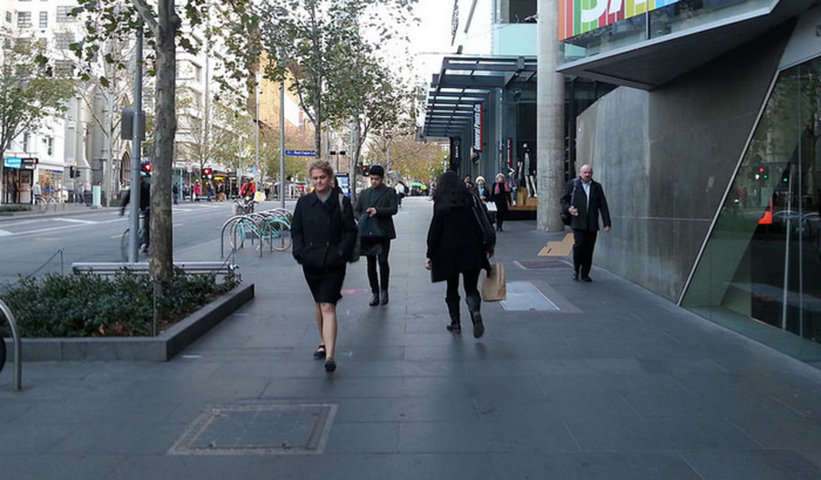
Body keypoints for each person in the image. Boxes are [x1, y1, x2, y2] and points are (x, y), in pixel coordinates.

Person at [292, 160, 357, 373]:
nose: (319, 181)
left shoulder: (341, 201)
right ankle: (323, 341)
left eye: (322, 177)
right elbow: (297, 230)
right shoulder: (304, 203)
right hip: (310, 261)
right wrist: (300, 252)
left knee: (328, 304)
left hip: (334, 261)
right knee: (319, 303)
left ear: (329, 178)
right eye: (315, 178)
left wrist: (341, 252)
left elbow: (350, 231)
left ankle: (330, 354)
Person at [425, 171, 492, 338]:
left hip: (448, 252)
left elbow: (435, 230)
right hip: (472, 249)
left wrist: (430, 254)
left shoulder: (441, 203)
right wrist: (487, 246)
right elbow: (482, 223)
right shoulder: (470, 199)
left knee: (451, 288)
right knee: (471, 287)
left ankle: (455, 323)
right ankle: (475, 312)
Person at [355, 165, 398, 306]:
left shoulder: (389, 192)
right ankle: (375, 293)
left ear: (382, 179)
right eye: (372, 179)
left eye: (377, 179)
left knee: (383, 261)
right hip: (368, 232)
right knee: (370, 263)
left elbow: (393, 209)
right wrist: (363, 217)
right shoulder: (364, 193)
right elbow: (356, 210)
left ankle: (384, 290)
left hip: (383, 231)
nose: (374, 181)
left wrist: (377, 211)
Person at [561, 164, 612, 282]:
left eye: (589, 172)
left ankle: (585, 273)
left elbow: (603, 205)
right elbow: (563, 200)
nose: (587, 174)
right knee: (579, 246)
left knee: (589, 249)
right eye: (585, 172)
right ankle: (576, 269)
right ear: (580, 173)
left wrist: (607, 223)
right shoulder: (573, 185)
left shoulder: (597, 187)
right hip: (578, 222)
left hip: (592, 224)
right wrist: (568, 209)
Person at [120, 173, 152, 253]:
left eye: (141, 179)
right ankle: (138, 239)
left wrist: (150, 206)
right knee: (134, 224)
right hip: (138, 208)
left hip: (147, 208)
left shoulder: (147, 187)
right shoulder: (133, 188)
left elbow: (152, 197)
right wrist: (122, 208)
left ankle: (146, 245)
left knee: (146, 226)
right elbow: (126, 198)